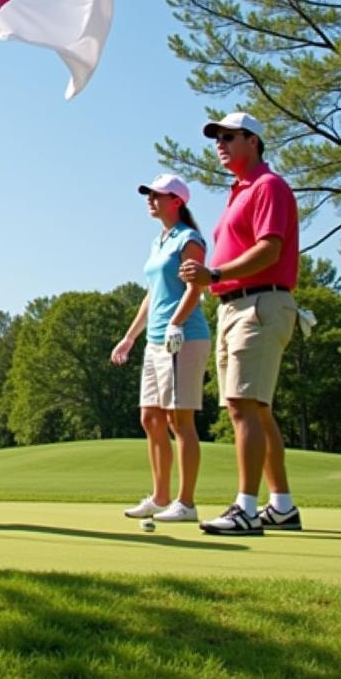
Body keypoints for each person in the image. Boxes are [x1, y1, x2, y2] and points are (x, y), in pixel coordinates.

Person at [179, 112, 302, 535]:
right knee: (255, 408)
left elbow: (270, 250)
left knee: (244, 406)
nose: (220, 144)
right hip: (236, 306)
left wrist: (214, 274)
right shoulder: (239, 192)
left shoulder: (268, 186)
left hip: (260, 303)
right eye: (217, 137)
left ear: (253, 141)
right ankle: (281, 505)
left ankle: (246, 508)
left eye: (229, 136)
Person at [111, 174, 211, 523]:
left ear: (177, 201)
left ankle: (186, 503)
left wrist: (176, 323)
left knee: (178, 419)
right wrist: (130, 336)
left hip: (185, 337)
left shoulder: (189, 239)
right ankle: (160, 496)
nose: (150, 200)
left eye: (158, 195)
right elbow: (153, 294)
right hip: (156, 341)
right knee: (150, 418)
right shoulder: (159, 242)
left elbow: (194, 289)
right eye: (149, 195)